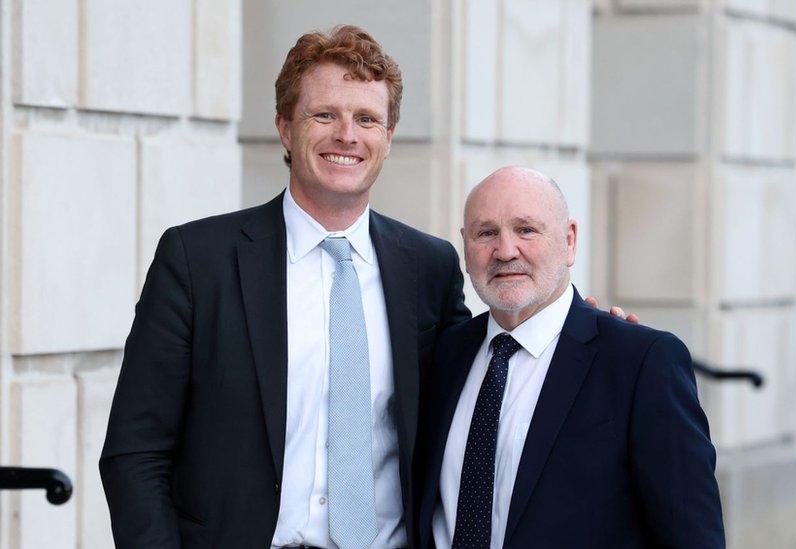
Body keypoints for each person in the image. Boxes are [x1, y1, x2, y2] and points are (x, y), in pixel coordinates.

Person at [100, 26, 469, 548]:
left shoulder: (429, 268)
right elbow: (135, 450)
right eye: (324, 115)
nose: (347, 135)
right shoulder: (197, 260)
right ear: (283, 127)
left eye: (367, 119)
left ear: (387, 137)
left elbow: (481, 386)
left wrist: (585, 335)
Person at [416, 167, 725, 548]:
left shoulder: (640, 364)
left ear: (569, 241)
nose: (506, 250)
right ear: (466, 246)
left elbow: (692, 537)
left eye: (526, 229)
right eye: (486, 233)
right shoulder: (444, 356)